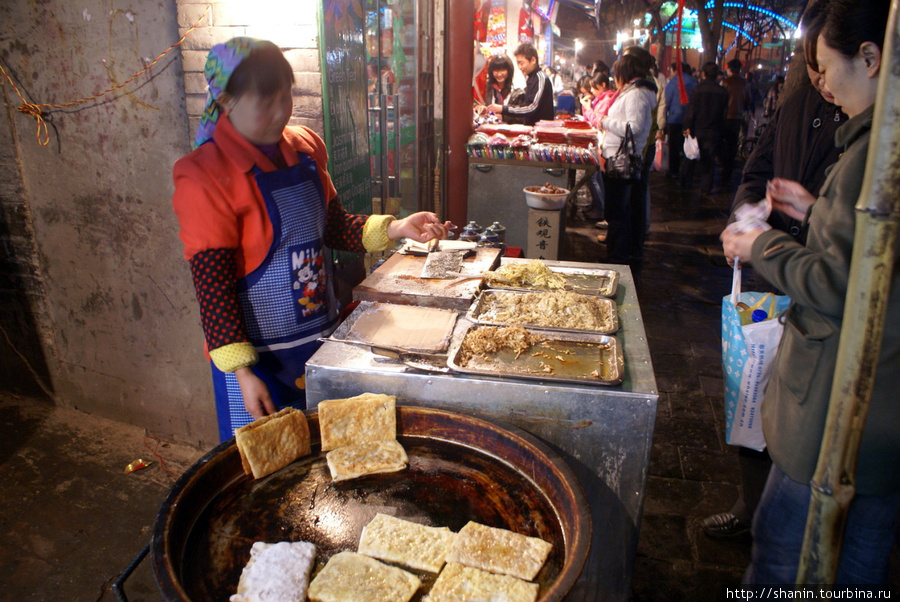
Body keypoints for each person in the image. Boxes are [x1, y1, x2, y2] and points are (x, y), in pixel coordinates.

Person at [172, 38, 452, 441]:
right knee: (266, 470)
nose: (280, 112)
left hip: (319, 342)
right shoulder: (203, 176)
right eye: (265, 102)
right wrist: (242, 373)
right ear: (228, 101)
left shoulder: (305, 148)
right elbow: (212, 286)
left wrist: (395, 228)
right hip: (259, 363)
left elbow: (333, 226)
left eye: (285, 97)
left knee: (328, 454)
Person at [720, 0, 900, 583]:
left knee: (782, 555)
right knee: (860, 562)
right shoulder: (874, 142)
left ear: (870, 58)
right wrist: (816, 207)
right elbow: (874, 252)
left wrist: (759, 247)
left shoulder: (877, 153)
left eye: (827, 67)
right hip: (880, 415)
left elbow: (843, 283)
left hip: (839, 408)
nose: (823, 83)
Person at [702, 3, 847, 539]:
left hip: (814, 292)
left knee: (803, 413)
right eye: (811, 65)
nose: (819, 78)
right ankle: (750, 506)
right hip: (769, 277)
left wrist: (792, 228)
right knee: (753, 388)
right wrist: (747, 218)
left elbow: (846, 255)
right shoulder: (795, 100)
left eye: (825, 65)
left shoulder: (870, 131)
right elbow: (757, 167)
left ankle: (792, 525)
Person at [596, 53, 656, 264]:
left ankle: (618, 256)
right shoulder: (631, 92)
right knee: (617, 209)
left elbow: (634, 127)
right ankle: (616, 252)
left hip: (622, 158)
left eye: (616, 73)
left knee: (618, 211)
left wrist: (605, 122)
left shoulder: (636, 94)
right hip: (616, 155)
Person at [684, 62, 729, 195]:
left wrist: (687, 128)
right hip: (714, 129)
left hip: (698, 128)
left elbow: (691, 111)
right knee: (709, 161)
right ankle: (705, 188)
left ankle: (687, 183)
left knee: (692, 156)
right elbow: (723, 114)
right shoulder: (722, 92)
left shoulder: (697, 90)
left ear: (703, 74)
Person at [487, 42, 554, 126]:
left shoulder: (540, 78)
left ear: (533, 60)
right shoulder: (531, 78)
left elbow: (531, 108)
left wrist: (503, 109)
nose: (519, 67)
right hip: (533, 129)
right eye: (518, 63)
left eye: (521, 63)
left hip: (542, 130)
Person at [720, 58, 754, 188]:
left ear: (729, 68)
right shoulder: (745, 83)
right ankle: (728, 171)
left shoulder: (725, 82)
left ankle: (723, 168)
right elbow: (747, 101)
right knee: (732, 144)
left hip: (725, 117)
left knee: (724, 143)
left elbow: (721, 100)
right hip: (737, 117)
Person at [662, 63, 698, 183]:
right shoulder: (693, 83)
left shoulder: (672, 83)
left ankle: (674, 171)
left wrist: (663, 121)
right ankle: (687, 172)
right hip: (689, 120)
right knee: (687, 145)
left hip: (674, 119)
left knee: (674, 147)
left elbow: (666, 102)